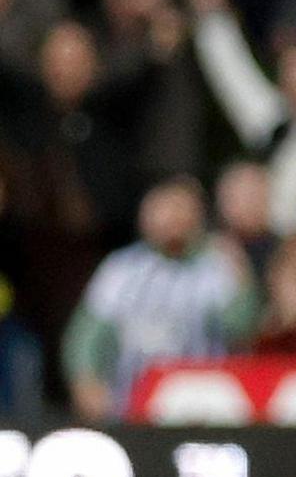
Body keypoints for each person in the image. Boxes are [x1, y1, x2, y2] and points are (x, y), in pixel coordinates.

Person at [61, 177, 258, 422]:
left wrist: (242, 278)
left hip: (204, 409)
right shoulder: (121, 268)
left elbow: (240, 328)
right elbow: (86, 335)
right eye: (163, 208)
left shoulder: (217, 266)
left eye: (181, 208)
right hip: (130, 405)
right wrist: (85, 380)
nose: (173, 218)